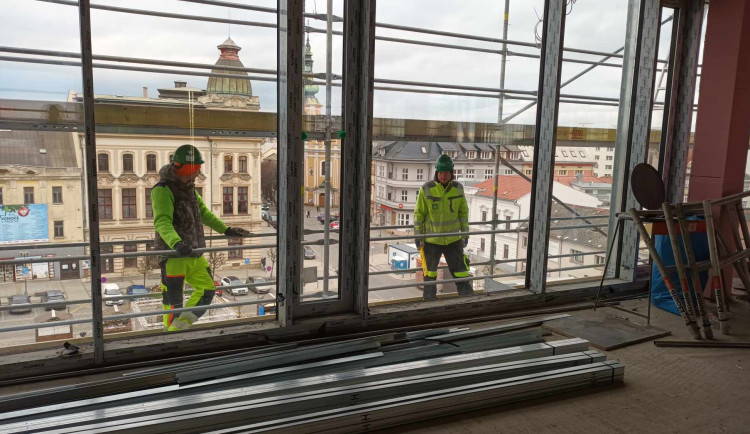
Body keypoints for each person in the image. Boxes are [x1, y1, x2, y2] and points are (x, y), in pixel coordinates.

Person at [152, 144, 250, 331]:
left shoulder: (189, 190)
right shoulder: (162, 190)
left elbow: (204, 214)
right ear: (186, 168)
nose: (198, 173)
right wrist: (176, 243)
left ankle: (180, 327)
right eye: (196, 169)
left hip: (194, 253)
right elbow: (162, 222)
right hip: (174, 256)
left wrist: (226, 230)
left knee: (207, 290)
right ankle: (173, 336)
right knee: (173, 303)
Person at [414, 154, 473, 300]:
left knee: (461, 273)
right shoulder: (426, 189)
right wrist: (418, 237)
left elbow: (463, 214)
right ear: (436, 172)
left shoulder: (458, 189)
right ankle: (429, 305)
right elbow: (419, 215)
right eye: (440, 172)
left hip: (453, 241)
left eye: (446, 172)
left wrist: (465, 235)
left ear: (452, 172)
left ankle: (469, 303)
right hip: (431, 242)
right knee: (429, 276)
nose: (443, 175)